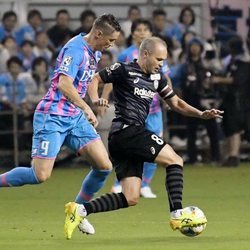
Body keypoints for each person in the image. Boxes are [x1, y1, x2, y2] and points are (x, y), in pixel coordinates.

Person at [64, 37, 222, 239]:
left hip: (122, 140)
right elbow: (95, 78)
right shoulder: (124, 70)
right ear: (145, 54)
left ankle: (80, 210)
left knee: (131, 197)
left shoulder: (158, 78)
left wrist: (200, 114)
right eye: (158, 59)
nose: (161, 64)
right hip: (128, 132)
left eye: (164, 60)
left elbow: (176, 103)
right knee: (175, 160)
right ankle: (177, 213)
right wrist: (95, 100)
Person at [0, 13, 121, 234]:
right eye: (110, 40)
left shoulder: (93, 50)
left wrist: (92, 101)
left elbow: (89, 80)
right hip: (52, 116)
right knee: (40, 175)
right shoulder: (75, 49)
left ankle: (77, 210)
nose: (110, 45)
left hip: (74, 116)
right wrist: (86, 108)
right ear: (99, 33)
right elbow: (64, 84)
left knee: (104, 166)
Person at [112, 18, 171, 198]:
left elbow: (165, 78)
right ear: (133, 33)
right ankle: (119, 183)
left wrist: (170, 98)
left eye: (146, 29)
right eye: (138, 29)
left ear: (151, 33)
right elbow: (114, 76)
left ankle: (145, 184)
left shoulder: (159, 55)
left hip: (153, 111)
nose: (142, 32)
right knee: (130, 148)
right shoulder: (126, 55)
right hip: (132, 112)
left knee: (156, 146)